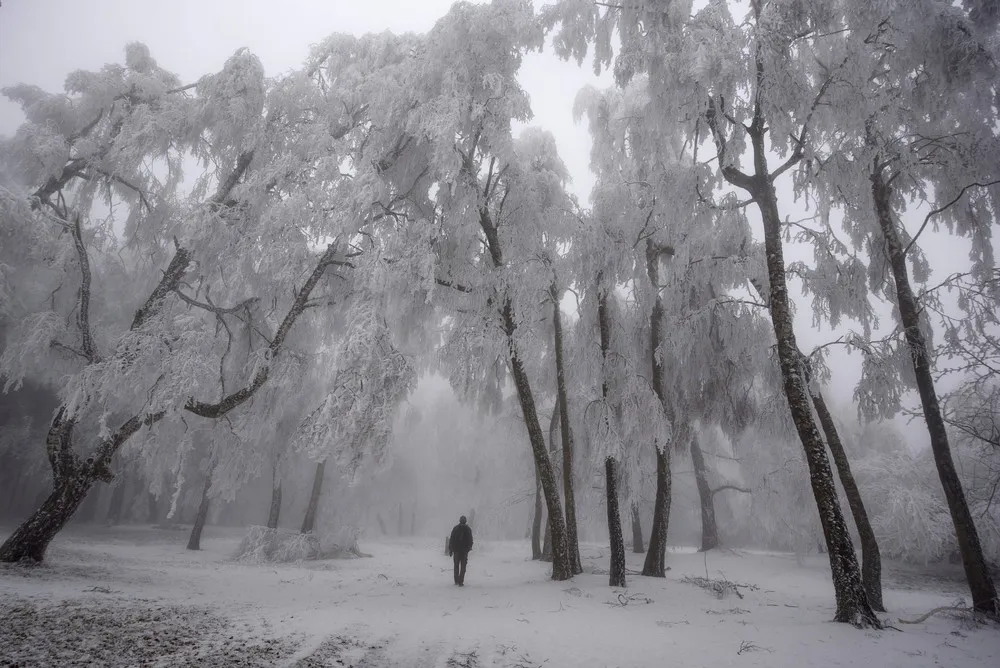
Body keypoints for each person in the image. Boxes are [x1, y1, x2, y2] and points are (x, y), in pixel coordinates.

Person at [448, 515, 473, 586]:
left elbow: (451, 540)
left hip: (456, 551)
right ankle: (460, 581)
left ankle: (456, 581)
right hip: (464, 552)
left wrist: (451, 550)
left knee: (456, 566)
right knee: (463, 567)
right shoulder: (468, 529)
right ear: (465, 521)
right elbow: (470, 540)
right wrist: (469, 548)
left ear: (459, 520)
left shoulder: (455, 528)